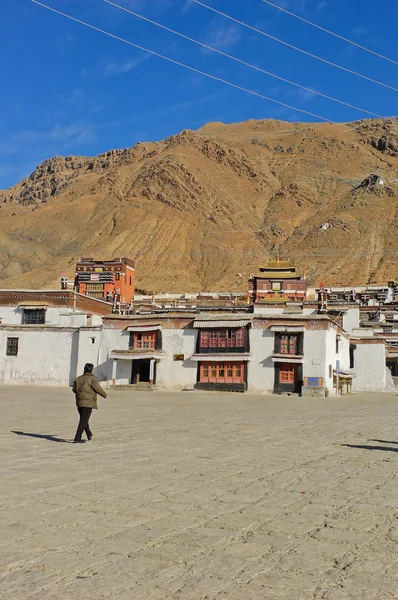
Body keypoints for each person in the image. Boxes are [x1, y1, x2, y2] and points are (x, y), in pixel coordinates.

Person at [72, 363, 107, 443]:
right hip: (88, 403)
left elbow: (74, 389)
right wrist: (105, 395)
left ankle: (89, 433)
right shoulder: (92, 379)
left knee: (84, 419)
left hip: (79, 402)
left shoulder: (78, 379)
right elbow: (97, 388)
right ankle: (77, 438)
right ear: (91, 370)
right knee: (83, 420)